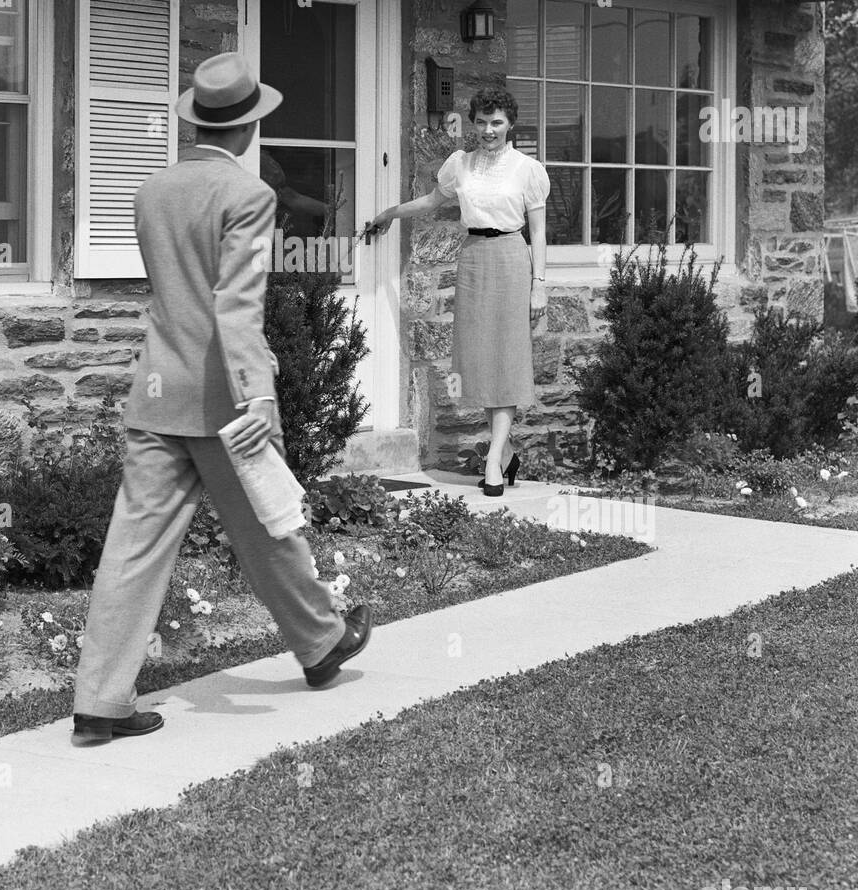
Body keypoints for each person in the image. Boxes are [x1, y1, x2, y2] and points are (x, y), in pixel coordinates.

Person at [71, 51, 372, 746]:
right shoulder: (249, 196)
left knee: (132, 549)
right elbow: (236, 309)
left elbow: (175, 293)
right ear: (249, 128)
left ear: (198, 121)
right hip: (221, 400)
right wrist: (259, 398)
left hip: (155, 391)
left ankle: (100, 701)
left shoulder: (153, 190)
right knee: (268, 524)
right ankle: (323, 643)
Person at [366, 89, 549, 495]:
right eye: (481, 122)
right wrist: (390, 213)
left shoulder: (527, 170)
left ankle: (492, 461)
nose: (488, 130)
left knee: (508, 358)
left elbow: (537, 232)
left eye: (496, 122)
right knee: (481, 359)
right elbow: (433, 200)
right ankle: (505, 453)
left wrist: (540, 286)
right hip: (472, 260)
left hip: (511, 259)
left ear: (511, 123)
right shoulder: (460, 165)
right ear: (473, 124)